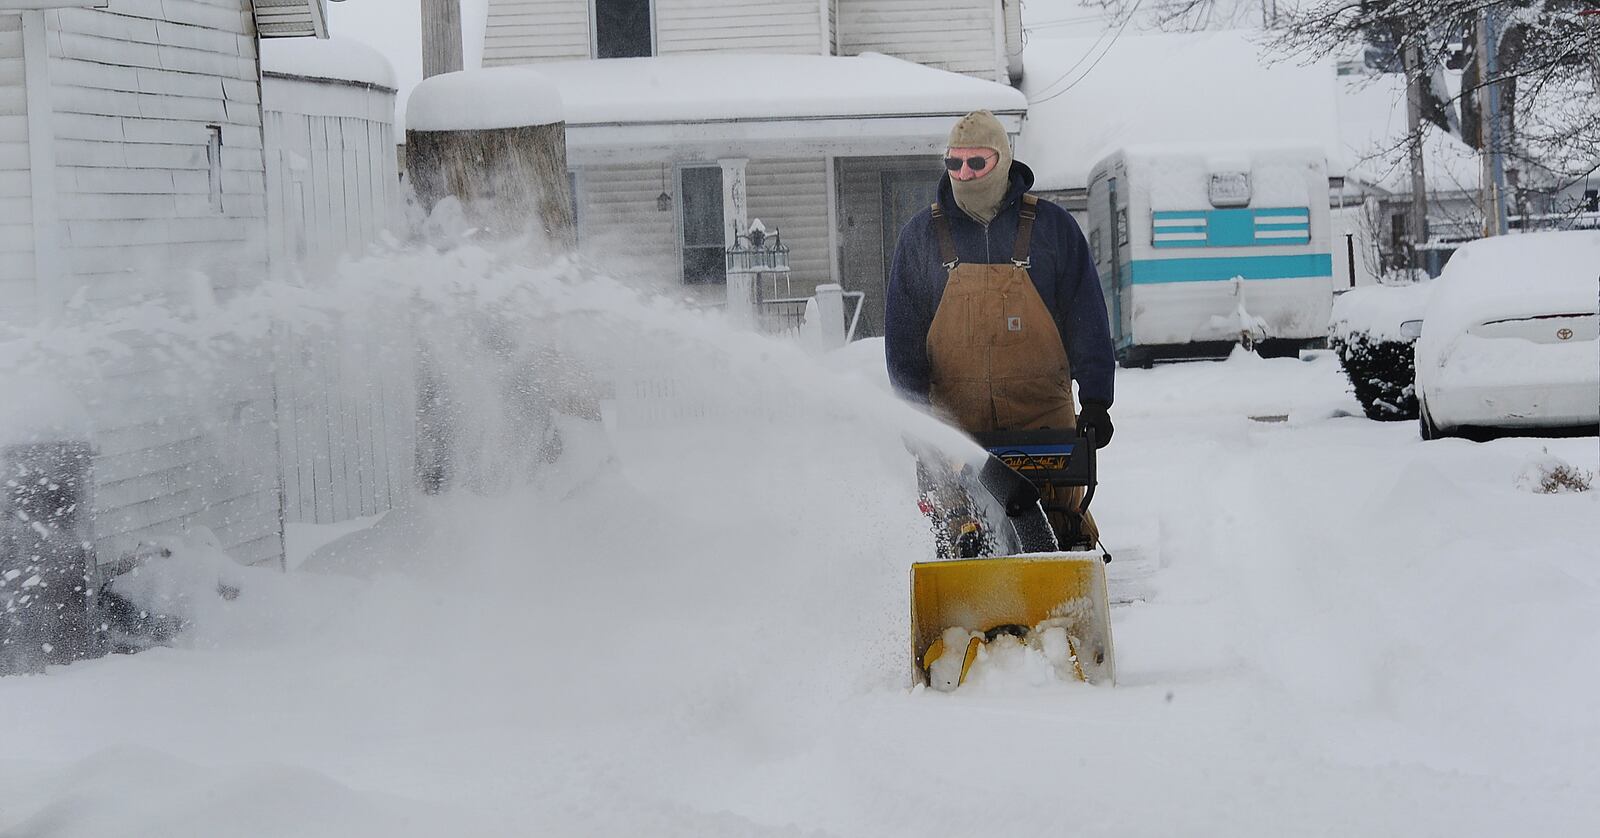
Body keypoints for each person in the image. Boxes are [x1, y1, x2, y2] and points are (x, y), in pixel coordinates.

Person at [886, 110, 1115, 547]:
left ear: (1004, 161)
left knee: (1058, 536)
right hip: (955, 427)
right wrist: (912, 414)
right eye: (955, 164)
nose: (965, 174)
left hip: (1043, 426)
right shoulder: (922, 238)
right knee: (966, 540)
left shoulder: (1052, 229)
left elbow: (1087, 318)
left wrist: (1098, 401)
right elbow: (903, 339)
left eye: (977, 163)